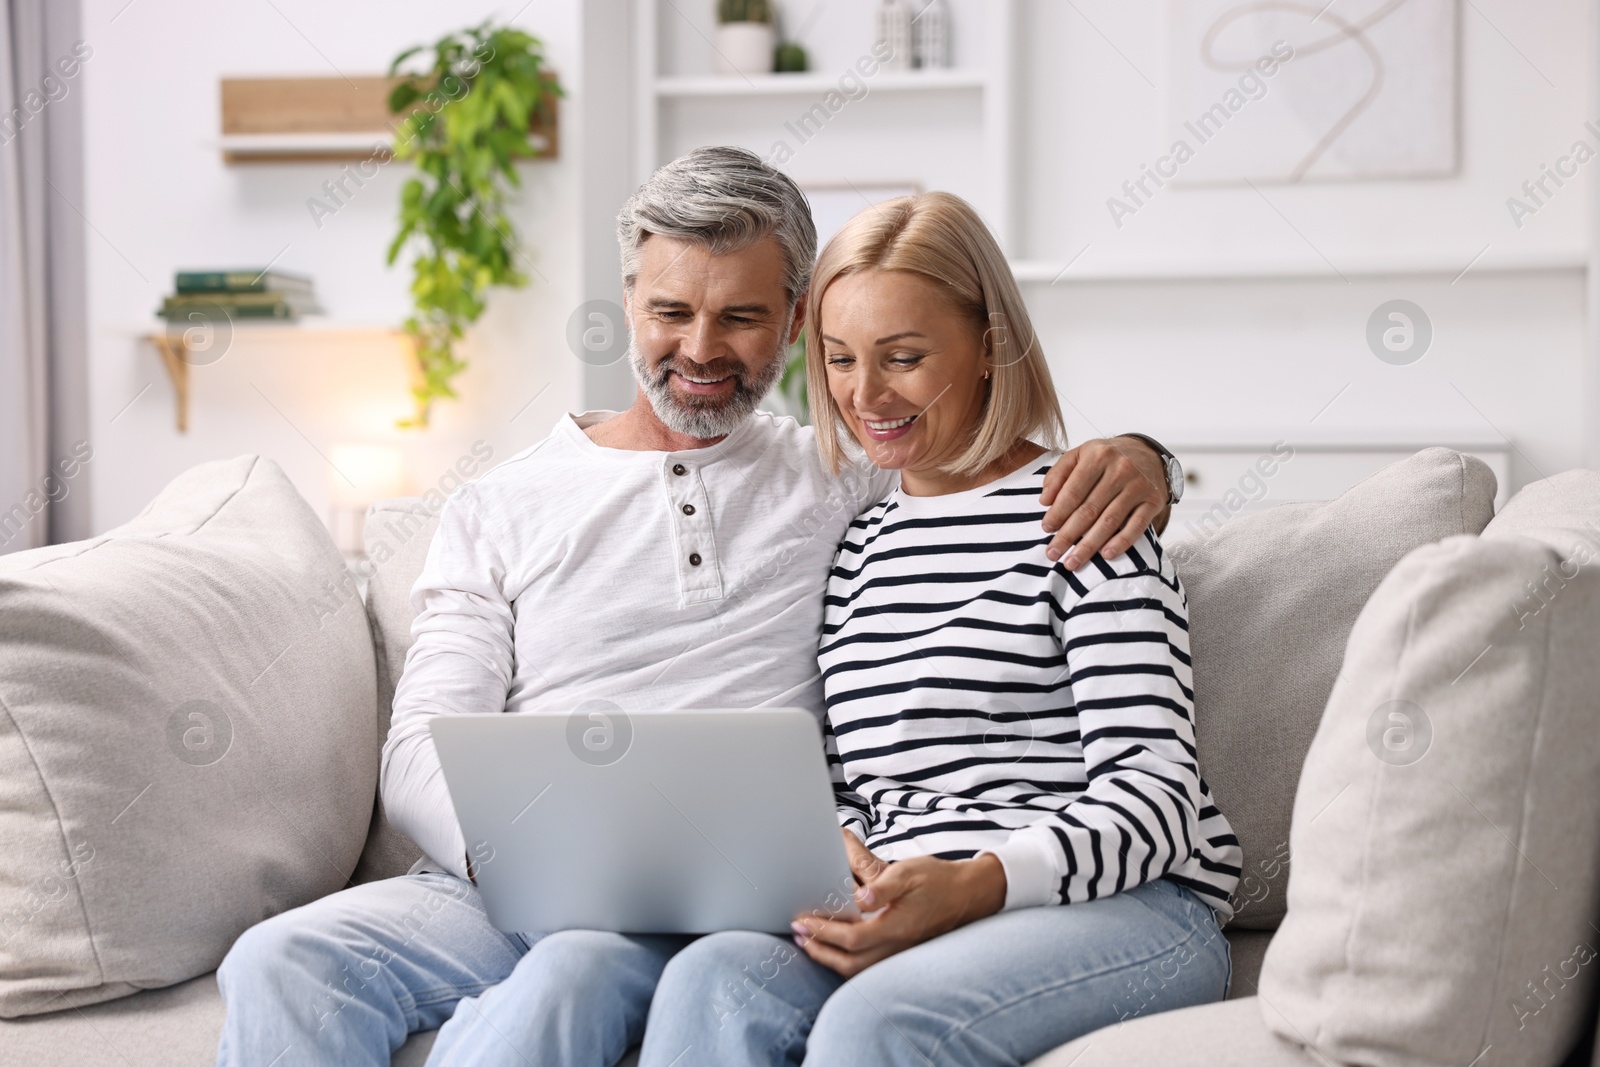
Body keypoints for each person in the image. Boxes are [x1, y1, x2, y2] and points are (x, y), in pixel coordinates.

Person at [213, 148, 1184, 1067]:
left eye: (743, 317)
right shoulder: (496, 503)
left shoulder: (835, 473)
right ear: (626, 303)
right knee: (280, 957)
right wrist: (536, 859)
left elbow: (982, 470)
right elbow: (421, 742)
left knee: (577, 968)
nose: (700, 349)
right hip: (499, 875)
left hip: (709, 899)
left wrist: (1144, 456)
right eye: (669, 309)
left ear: (795, 317)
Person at [636, 191, 1241, 1067]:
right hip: (907, 898)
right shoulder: (859, 545)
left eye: (905, 357)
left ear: (991, 347)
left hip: (1126, 906)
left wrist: (974, 886)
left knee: (875, 1024)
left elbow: (1156, 802)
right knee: (708, 978)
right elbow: (854, 776)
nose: (864, 394)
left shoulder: (1084, 514)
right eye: (839, 359)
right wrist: (833, 844)